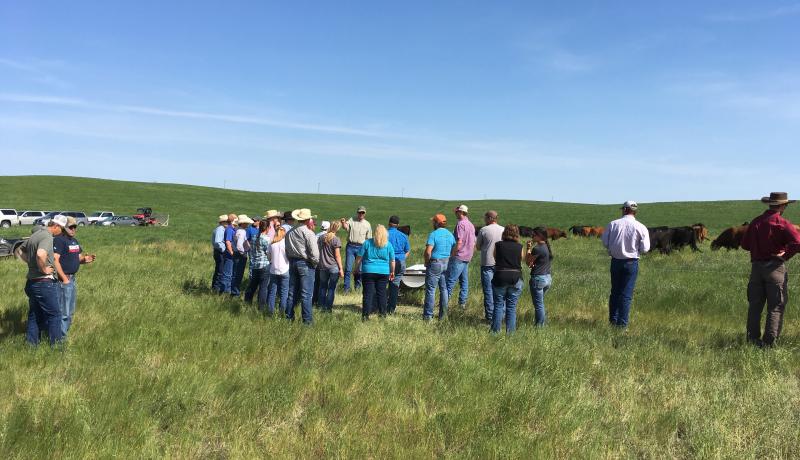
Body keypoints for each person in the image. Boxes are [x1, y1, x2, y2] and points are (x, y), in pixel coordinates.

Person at [741, 192, 800, 347]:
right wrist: (785, 255)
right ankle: (769, 343)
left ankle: (752, 340)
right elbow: (798, 243)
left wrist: (758, 248)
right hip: (775, 267)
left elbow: (745, 245)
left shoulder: (755, 222)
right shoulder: (782, 223)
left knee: (755, 306)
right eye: (786, 205)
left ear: (770, 204)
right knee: (775, 307)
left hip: (756, 269)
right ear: (781, 206)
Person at [19, 215, 68, 346]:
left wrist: (32, 264)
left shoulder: (36, 234)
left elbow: (20, 250)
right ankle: (56, 348)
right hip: (43, 282)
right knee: (55, 315)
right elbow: (41, 254)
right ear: (56, 226)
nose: (61, 234)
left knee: (34, 314)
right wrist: (43, 269)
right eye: (62, 230)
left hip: (32, 282)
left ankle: (31, 345)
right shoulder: (47, 236)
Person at [601, 200, 650, 328]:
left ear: (624, 210)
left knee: (615, 292)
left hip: (616, 261)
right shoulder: (641, 227)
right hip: (631, 262)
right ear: (635, 211)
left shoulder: (613, 224)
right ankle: (622, 325)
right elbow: (645, 249)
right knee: (626, 294)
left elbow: (605, 242)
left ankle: (613, 321)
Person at [53, 216, 96, 336]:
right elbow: (55, 260)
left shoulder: (74, 241)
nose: (73, 229)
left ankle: (62, 336)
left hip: (72, 279)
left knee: (70, 311)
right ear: (64, 227)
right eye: (70, 227)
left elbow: (79, 258)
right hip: (63, 280)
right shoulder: (59, 240)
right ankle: (59, 340)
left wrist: (86, 259)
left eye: (75, 227)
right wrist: (64, 278)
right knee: (64, 312)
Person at [285, 208, 320, 324]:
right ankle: (307, 321)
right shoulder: (308, 233)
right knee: (306, 294)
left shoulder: (289, 232)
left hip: (293, 262)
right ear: (308, 219)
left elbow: (287, 249)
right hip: (305, 263)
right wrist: (314, 264)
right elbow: (315, 254)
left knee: (292, 292)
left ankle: (289, 317)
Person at [353, 225, 395, 319]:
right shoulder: (388, 245)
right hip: (383, 272)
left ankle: (365, 315)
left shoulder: (367, 243)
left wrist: (356, 268)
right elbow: (392, 260)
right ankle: (382, 314)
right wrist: (392, 271)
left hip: (368, 271)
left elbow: (359, 257)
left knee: (368, 294)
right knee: (382, 294)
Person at [491, 224, 525, 333]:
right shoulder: (520, 246)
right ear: (517, 234)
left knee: (498, 305)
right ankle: (511, 333)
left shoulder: (498, 245)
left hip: (500, 276)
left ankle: (495, 332)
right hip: (515, 277)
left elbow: (495, 257)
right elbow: (521, 259)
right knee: (511, 307)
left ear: (504, 233)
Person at [423, 214, 456, 320]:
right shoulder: (450, 234)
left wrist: (427, 262)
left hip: (435, 263)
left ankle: (428, 316)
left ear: (436, 223)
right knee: (444, 289)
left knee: (431, 290)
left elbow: (428, 252)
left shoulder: (433, 234)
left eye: (433, 221)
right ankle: (443, 315)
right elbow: (454, 248)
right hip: (446, 262)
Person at [475, 210, 504, 322]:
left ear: (489, 218)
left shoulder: (483, 230)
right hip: (501, 264)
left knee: (488, 291)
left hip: (487, 263)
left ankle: (490, 317)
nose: (484, 219)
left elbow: (477, 247)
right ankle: (501, 315)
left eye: (485, 217)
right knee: (501, 291)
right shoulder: (503, 230)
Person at [446, 205, 476, 310]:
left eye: (457, 212)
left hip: (459, 256)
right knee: (464, 282)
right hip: (467, 257)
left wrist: (452, 254)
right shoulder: (471, 225)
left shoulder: (460, 224)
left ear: (461, 213)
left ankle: (444, 305)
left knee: (450, 281)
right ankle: (462, 304)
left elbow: (459, 241)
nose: (455, 213)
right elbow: (474, 243)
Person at [525, 226, 552, 327]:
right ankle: (542, 322)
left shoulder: (537, 248)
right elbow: (534, 263)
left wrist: (528, 248)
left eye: (534, 234)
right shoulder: (547, 247)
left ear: (540, 236)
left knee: (539, 305)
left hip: (538, 279)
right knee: (540, 303)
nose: (532, 236)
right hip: (547, 278)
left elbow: (528, 262)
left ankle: (539, 326)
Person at [341, 206, 372, 293]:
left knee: (359, 270)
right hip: (350, 246)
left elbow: (368, 239)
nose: (361, 214)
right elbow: (345, 227)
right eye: (359, 212)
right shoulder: (352, 220)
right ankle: (346, 290)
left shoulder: (367, 224)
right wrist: (343, 222)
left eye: (362, 212)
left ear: (365, 213)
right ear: (357, 213)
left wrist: (366, 250)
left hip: (361, 248)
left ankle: (357, 289)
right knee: (348, 269)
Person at [244, 219, 272, 311]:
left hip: (255, 264)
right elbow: (269, 253)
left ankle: (247, 302)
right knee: (263, 287)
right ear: (267, 228)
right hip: (264, 265)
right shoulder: (267, 239)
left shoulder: (254, 237)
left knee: (252, 285)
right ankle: (261, 308)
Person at [317, 220, 344, 312]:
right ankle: (328, 308)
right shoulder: (336, 239)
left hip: (322, 266)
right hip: (333, 267)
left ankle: (320, 306)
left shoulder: (321, 238)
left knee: (322, 287)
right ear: (337, 229)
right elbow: (337, 256)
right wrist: (341, 268)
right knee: (331, 288)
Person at [386, 216, 411, 314]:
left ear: (389, 223)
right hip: (400, 262)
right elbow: (408, 250)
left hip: (387, 262)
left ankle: (380, 305)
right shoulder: (403, 236)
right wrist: (403, 258)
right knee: (395, 285)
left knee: (382, 284)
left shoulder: (385, 234)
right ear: (398, 225)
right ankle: (391, 308)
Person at [267, 226, 290, 315]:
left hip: (273, 269)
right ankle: (282, 312)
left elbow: (268, 256)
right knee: (284, 292)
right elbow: (289, 256)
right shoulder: (286, 244)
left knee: (272, 291)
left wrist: (272, 260)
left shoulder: (272, 243)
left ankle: (270, 312)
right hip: (284, 269)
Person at [231, 215, 253, 297]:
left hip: (236, 253)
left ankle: (234, 290)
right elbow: (240, 245)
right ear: (243, 223)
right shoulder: (242, 232)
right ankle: (235, 292)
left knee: (235, 273)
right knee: (238, 274)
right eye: (246, 223)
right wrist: (244, 253)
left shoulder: (238, 230)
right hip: (240, 255)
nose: (247, 224)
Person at [220, 213, 238, 295]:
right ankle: (224, 291)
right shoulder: (229, 230)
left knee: (230, 272)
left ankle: (227, 290)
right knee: (227, 273)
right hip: (229, 254)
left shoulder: (233, 229)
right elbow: (228, 242)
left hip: (231, 254)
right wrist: (231, 252)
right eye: (236, 219)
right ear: (232, 220)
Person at [211, 214, 228, 292]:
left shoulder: (219, 228)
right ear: (223, 222)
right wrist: (224, 249)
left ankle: (215, 287)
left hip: (218, 251)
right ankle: (216, 288)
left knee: (219, 270)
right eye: (227, 222)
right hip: (220, 252)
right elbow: (218, 242)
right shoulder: (220, 229)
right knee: (220, 270)